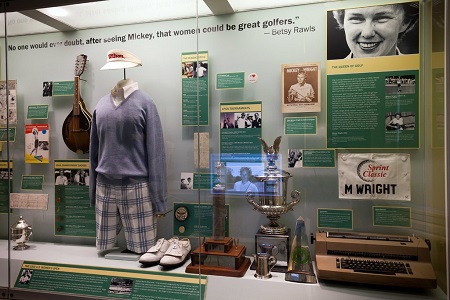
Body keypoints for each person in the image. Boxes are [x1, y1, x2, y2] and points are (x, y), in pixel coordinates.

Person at [91, 49, 167, 255]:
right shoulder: (101, 105)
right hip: (103, 187)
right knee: (103, 253)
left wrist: (159, 199)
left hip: (137, 188)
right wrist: (92, 193)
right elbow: (93, 153)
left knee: (143, 252)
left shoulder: (145, 103)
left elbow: (156, 153)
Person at [332, 3, 419, 58]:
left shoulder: (422, 72)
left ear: (405, 22)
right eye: (356, 19)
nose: (367, 33)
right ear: (342, 21)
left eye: (381, 18)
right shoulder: (330, 76)